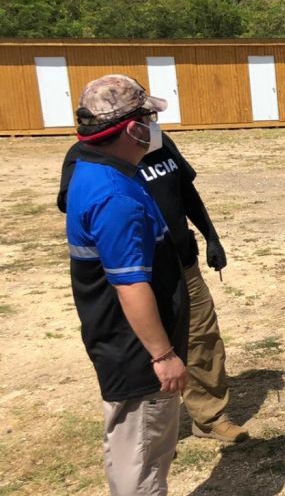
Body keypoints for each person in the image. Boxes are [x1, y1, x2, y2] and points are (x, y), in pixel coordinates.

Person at [58, 133, 247, 443]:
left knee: (202, 338)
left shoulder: (160, 143)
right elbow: (80, 209)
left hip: (182, 265)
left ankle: (210, 417)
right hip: (133, 276)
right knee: (146, 348)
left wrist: (211, 236)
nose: (150, 123)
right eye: (143, 116)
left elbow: (186, 192)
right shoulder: (89, 155)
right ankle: (153, 432)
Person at [63, 75, 190, 495]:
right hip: (137, 355)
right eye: (149, 118)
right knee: (142, 460)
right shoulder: (116, 196)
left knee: (132, 454)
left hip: (120, 344)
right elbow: (130, 285)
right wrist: (163, 355)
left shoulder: (93, 168)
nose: (154, 126)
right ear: (133, 129)